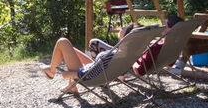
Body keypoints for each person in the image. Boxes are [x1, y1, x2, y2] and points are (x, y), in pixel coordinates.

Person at [41, 15, 183, 93]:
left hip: (92, 74)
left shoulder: (152, 48)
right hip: (103, 69)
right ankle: (66, 82)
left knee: (62, 41)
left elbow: (139, 69)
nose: (163, 26)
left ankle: (52, 71)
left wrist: (70, 74)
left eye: (166, 25)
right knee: (71, 48)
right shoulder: (165, 46)